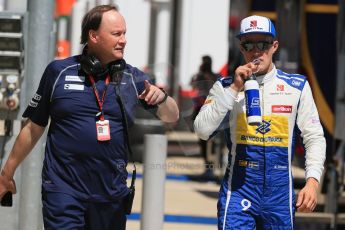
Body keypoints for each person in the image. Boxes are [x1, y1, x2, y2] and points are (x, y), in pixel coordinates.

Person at [0, 4, 179, 230]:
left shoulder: (132, 78)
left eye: (124, 34)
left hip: (110, 196)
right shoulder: (58, 72)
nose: (123, 40)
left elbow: (172, 116)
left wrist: (162, 98)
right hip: (63, 190)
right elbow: (33, 127)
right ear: (93, 36)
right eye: (116, 34)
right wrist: (7, 173)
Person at [194, 15, 326, 229]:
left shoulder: (297, 86)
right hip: (239, 190)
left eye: (263, 44)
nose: (256, 51)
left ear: (274, 46)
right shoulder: (225, 86)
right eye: (249, 44)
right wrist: (235, 89)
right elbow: (201, 130)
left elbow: (314, 137)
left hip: (280, 193)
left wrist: (312, 181)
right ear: (241, 48)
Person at [190, 55, 218, 177]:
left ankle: (211, 167)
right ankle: (209, 167)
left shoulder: (213, 77)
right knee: (205, 141)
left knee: (210, 142)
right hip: (202, 111)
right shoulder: (201, 76)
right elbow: (193, 86)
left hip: (210, 111)